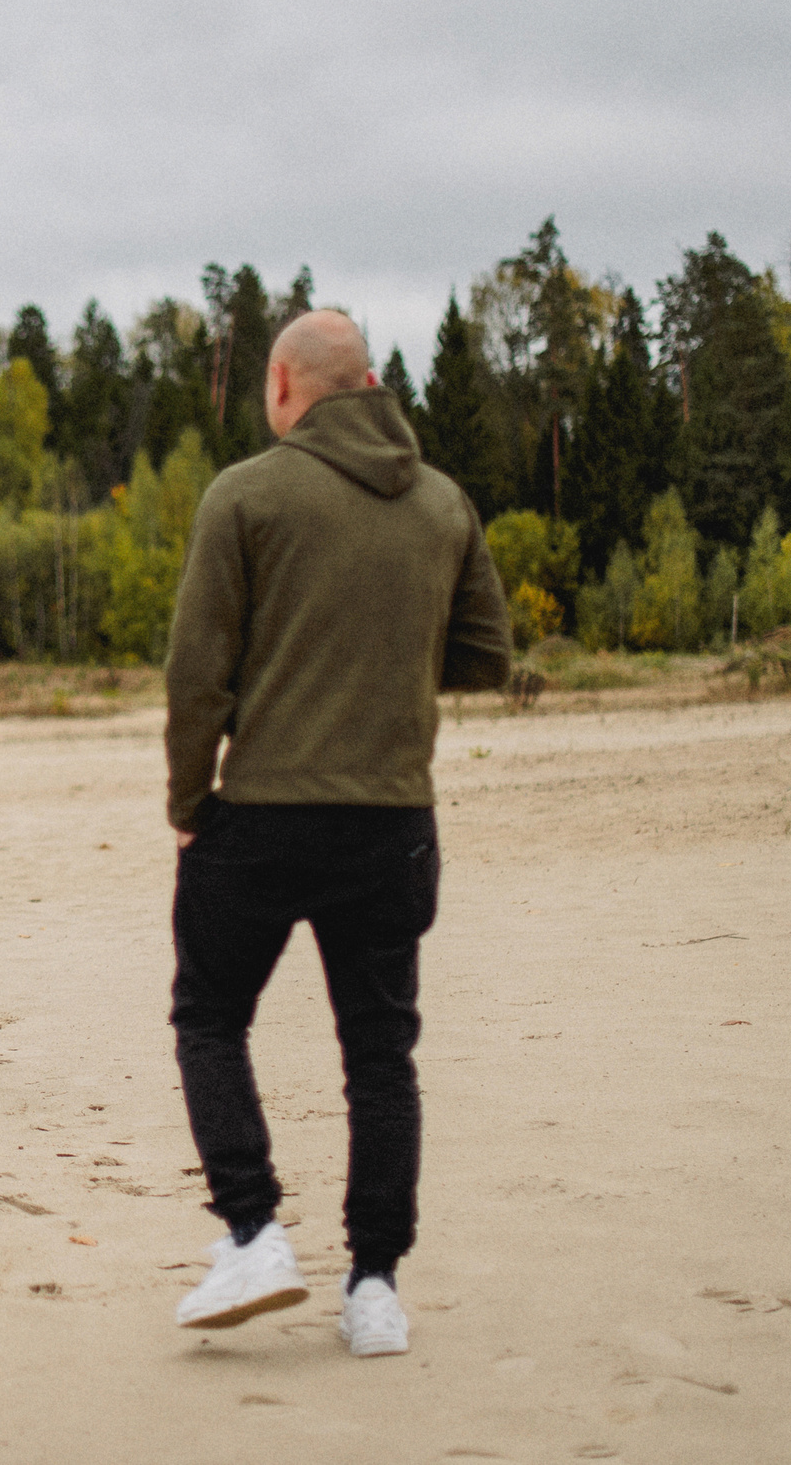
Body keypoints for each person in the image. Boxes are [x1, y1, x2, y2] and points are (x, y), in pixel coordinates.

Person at [161, 311, 512, 1355]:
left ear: (282, 383)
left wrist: (188, 806)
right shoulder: (442, 501)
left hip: (262, 813)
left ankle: (255, 1227)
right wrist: (388, 661)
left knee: (211, 1018)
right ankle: (373, 1288)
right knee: (380, 1055)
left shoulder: (248, 493)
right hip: (392, 820)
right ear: (367, 382)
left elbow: (197, 676)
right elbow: (487, 653)